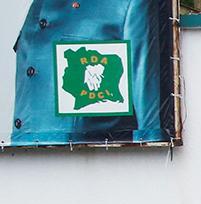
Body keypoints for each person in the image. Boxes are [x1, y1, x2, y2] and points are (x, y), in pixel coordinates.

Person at [10, 0, 171, 145]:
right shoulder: (38, 5)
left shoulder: (128, 4)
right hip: (26, 162)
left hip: (86, 164)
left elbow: (149, 127)